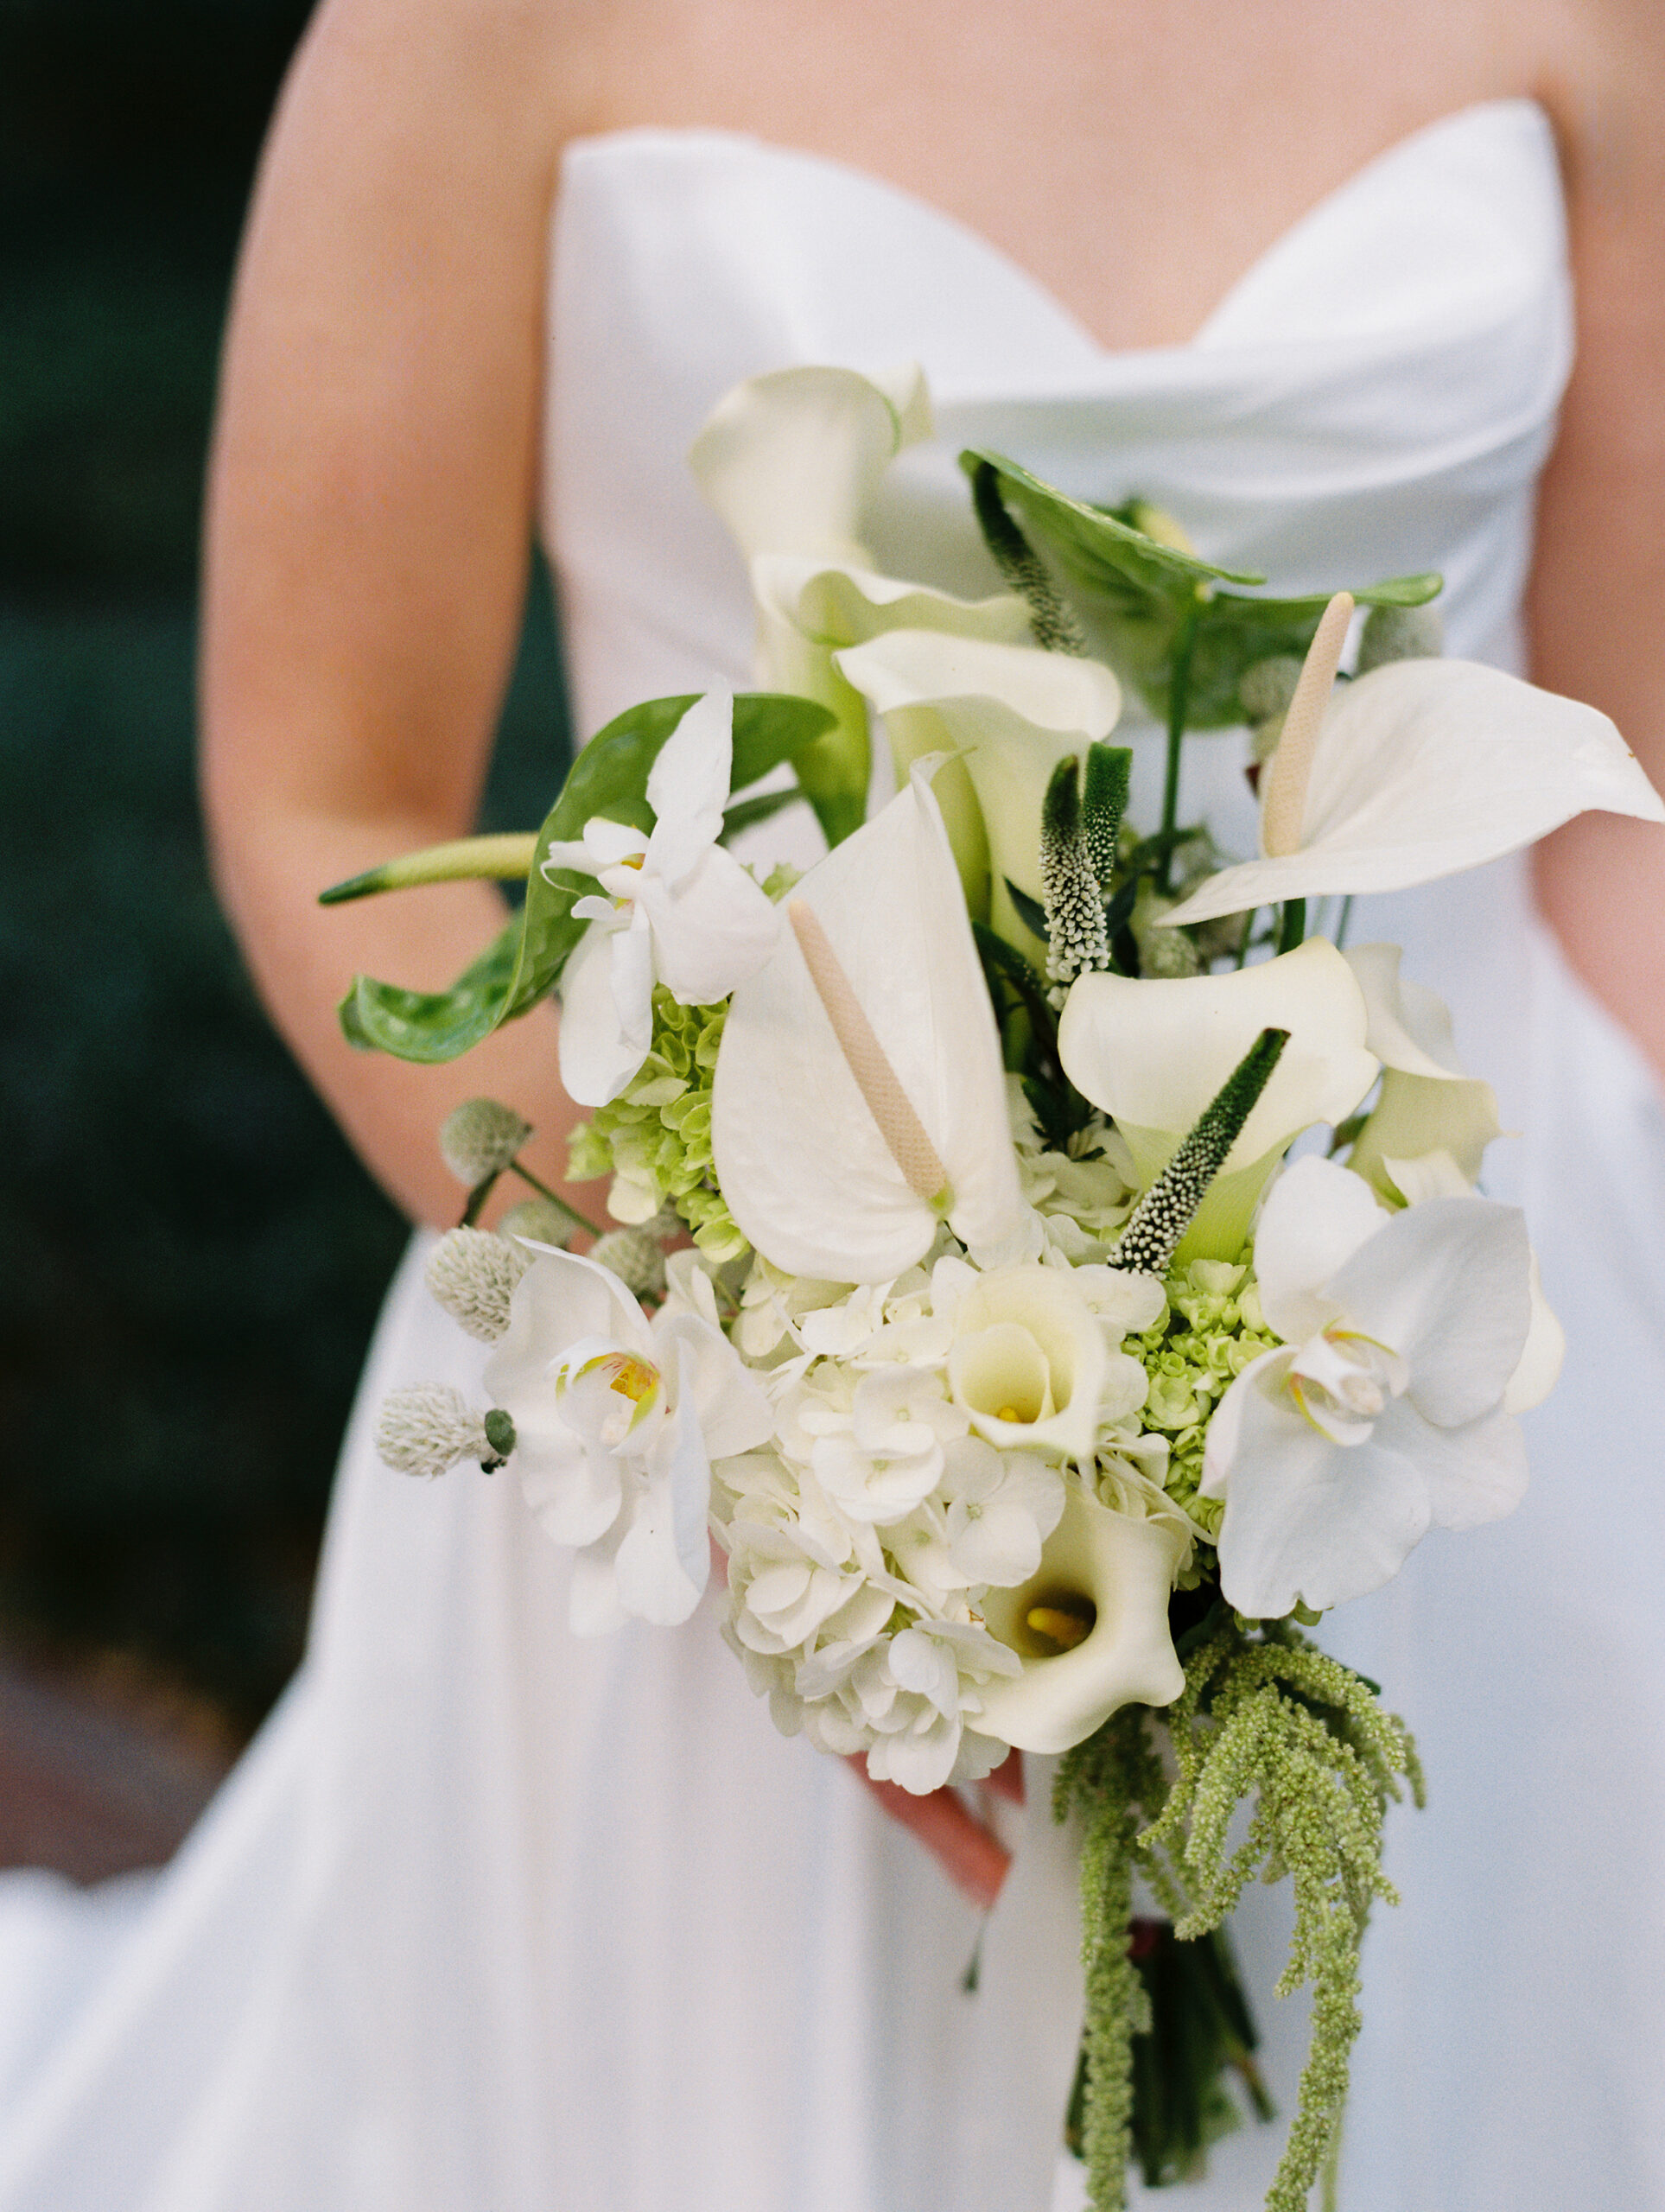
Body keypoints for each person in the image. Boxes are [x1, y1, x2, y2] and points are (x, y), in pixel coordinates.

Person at [0, 2, 1662, 2205]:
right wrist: (805, 1445)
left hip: (1452, 1388)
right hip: (724, 1436)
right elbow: (328, 791)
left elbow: (1624, 786)